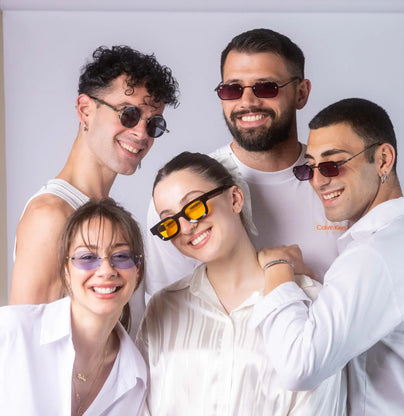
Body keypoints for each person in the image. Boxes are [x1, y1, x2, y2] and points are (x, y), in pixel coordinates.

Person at [138, 151, 346, 416]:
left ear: (235, 199)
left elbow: (321, 406)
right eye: (169, 223)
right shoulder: (162, 307)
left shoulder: (312, 302)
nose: (187, 227)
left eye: (194, 207)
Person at [145, 28, 346, 296]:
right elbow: (169, 308)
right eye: (232, 89)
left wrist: (298, 276)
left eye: (266, 87)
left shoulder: (340, 180)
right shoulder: (183, 195)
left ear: (301, 93)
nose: (247, 102)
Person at [251, 98, 404, 415]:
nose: (318, 180)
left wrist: (277, 271)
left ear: (383, 160)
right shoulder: (402, 236)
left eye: (332, 164)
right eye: (309, 167)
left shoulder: (376, 252)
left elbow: (299, 366)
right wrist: (312, 279)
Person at [10, 45, 178, 335]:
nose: (141, 133)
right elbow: (22, 347)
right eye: (128, 114)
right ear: (85, 110)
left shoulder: (110, 214)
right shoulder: (52, 216)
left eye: (153, 124)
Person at [0, 198, 147, 415]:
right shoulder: (11, 330)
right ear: (66, 271)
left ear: (138, 270)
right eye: (87, 257)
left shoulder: (136, 379)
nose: (106, 270)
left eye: (121, 256)